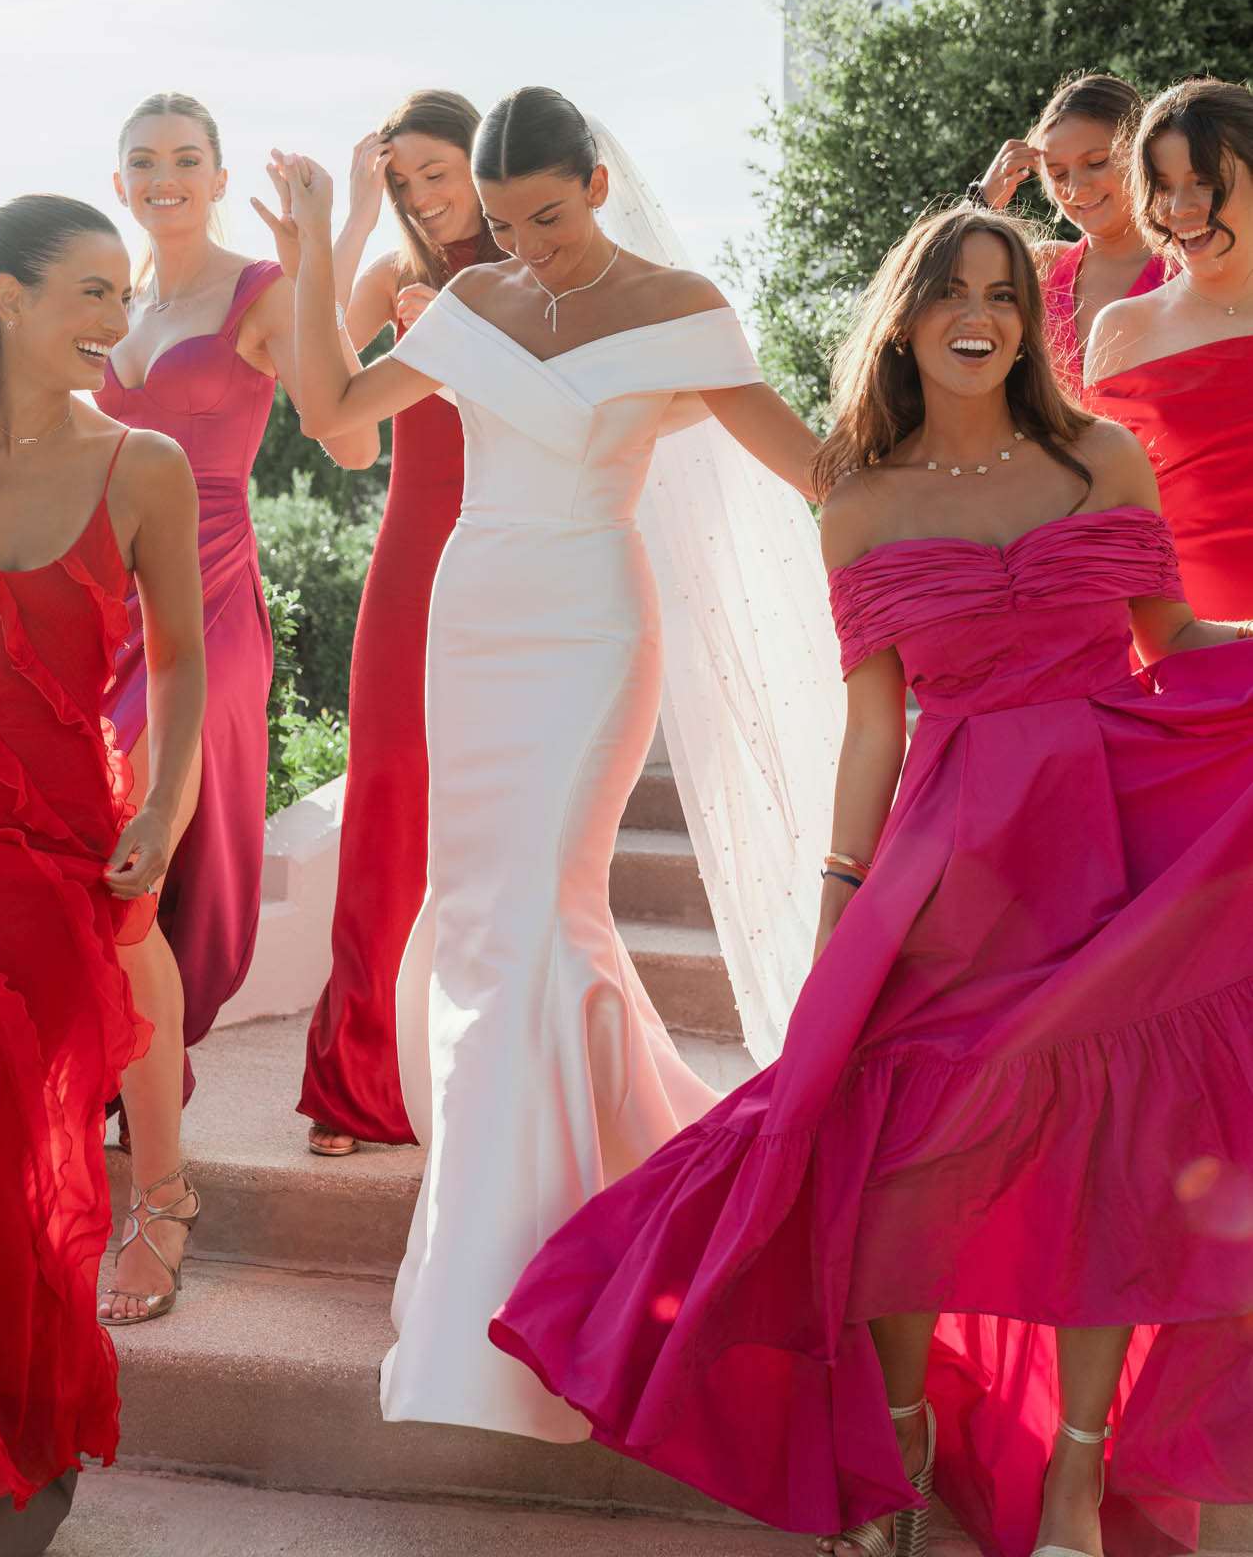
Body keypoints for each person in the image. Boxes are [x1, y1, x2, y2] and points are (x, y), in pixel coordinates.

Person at [493, 204, 1253, 1557]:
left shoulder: (1101, 456)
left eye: (1006, 293)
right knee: (900, 1158)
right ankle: (894, 1443)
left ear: (1030, 320)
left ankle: (1076, 1486)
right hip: (955, 851)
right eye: (951, 292)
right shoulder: (857, 503)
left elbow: (1175, 637)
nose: (981, 315)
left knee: (1109, 1156)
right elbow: (874, 720)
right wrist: (843, 886)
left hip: (1110, 835)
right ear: (904, 318)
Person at [278, 85, 827, 1441]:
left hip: (589, 623)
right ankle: (567, 1205)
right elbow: (333, 404)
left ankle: (521, 1268)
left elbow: (812, 466)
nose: (532, 246)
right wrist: (309, 256)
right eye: (509, 223)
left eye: (551, 216)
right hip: (474, 621)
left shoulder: (680, 305)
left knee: (539, 911)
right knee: (478, 922)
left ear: (596, 180)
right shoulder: (471, 308)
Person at [0, 197, 203, 1554]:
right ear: (7, 300)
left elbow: (184, 662)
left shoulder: (145, 466)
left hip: (65, 870)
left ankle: (1, 1466)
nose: (112, 321)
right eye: (88, 291)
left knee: (11, 1196)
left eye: (124, 297)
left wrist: (172, 807)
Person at [95, 90, 367, 1325]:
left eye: (186, 159)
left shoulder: (258, 288)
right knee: (81, 835)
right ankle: (119, 1068)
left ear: (214, 175)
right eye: (144, 160)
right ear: (120, 178)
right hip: (91, 593)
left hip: (201, 594)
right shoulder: (111, 302)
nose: (165, 177)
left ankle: (157, 1158)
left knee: (151, 849)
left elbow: (335, 417)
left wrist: (319, 255)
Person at [293, 90, 501, 1158]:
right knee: (384, 791)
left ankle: (476, 1068)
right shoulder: (395, 272)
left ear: (482, 160)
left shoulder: (535, 261)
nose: (423, 193)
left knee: (494, 816)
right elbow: (320, 389)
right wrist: (355, 220)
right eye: (403, 176)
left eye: (437, 171)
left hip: (517, 556)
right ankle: (358, 1076)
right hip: (413, 558)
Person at [1086, 78, 1253, 616]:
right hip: (1191, 675)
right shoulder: (1123, 331)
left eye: (1204, 182)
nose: (1180, 209)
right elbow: (1105, 526)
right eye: (1162, 185)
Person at [971, 72, 1164, 395]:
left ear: (1141, 152)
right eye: (1058, 174)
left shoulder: (1193, 265)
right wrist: (980, 205)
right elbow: (927, 298)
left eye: (1096, 162)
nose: (1075, 187)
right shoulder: (1040, 267)